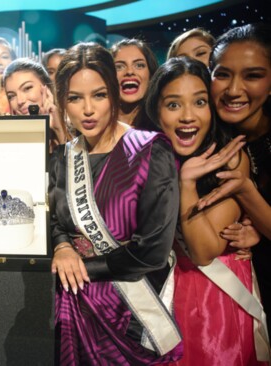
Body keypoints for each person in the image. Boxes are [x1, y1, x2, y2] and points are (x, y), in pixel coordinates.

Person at [50, 42, 182, 364]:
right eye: (75, 98)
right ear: (63, 103)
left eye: (98, 94)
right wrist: (62, 247)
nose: (88, 110)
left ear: (114, 92)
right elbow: (55, 221)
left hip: (130, 315)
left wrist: (81, 268)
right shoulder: (62, 159)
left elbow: (152, 250)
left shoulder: (151, 151)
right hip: (73, 310)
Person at [144, 56, 268, 365]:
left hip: (218, 296)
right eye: (173, 105)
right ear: (157, 112)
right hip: (169, 291)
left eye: (199, 102)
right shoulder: (150, 158)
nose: (188, 116)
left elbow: (203, 252)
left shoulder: (229, 159)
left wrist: (187, 185)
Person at [202, 23, 271, 334]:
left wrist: (245, 191)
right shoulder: (200, 134)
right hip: (218, 308)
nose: (233, 90)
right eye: (223, 74)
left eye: (252, 75)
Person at [3, 58, 68, 150]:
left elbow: (72, 163)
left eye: (27, 88)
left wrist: (58, 129)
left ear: (46, 87)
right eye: (11, 96)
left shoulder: (74, 128)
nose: (20, 101)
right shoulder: (6, 138)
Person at [110, 38, 158, 126]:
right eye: (119, 67)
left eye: (139, 65)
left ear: (151, 75)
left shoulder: (163, 126)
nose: (129, 72)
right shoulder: (97, 129)